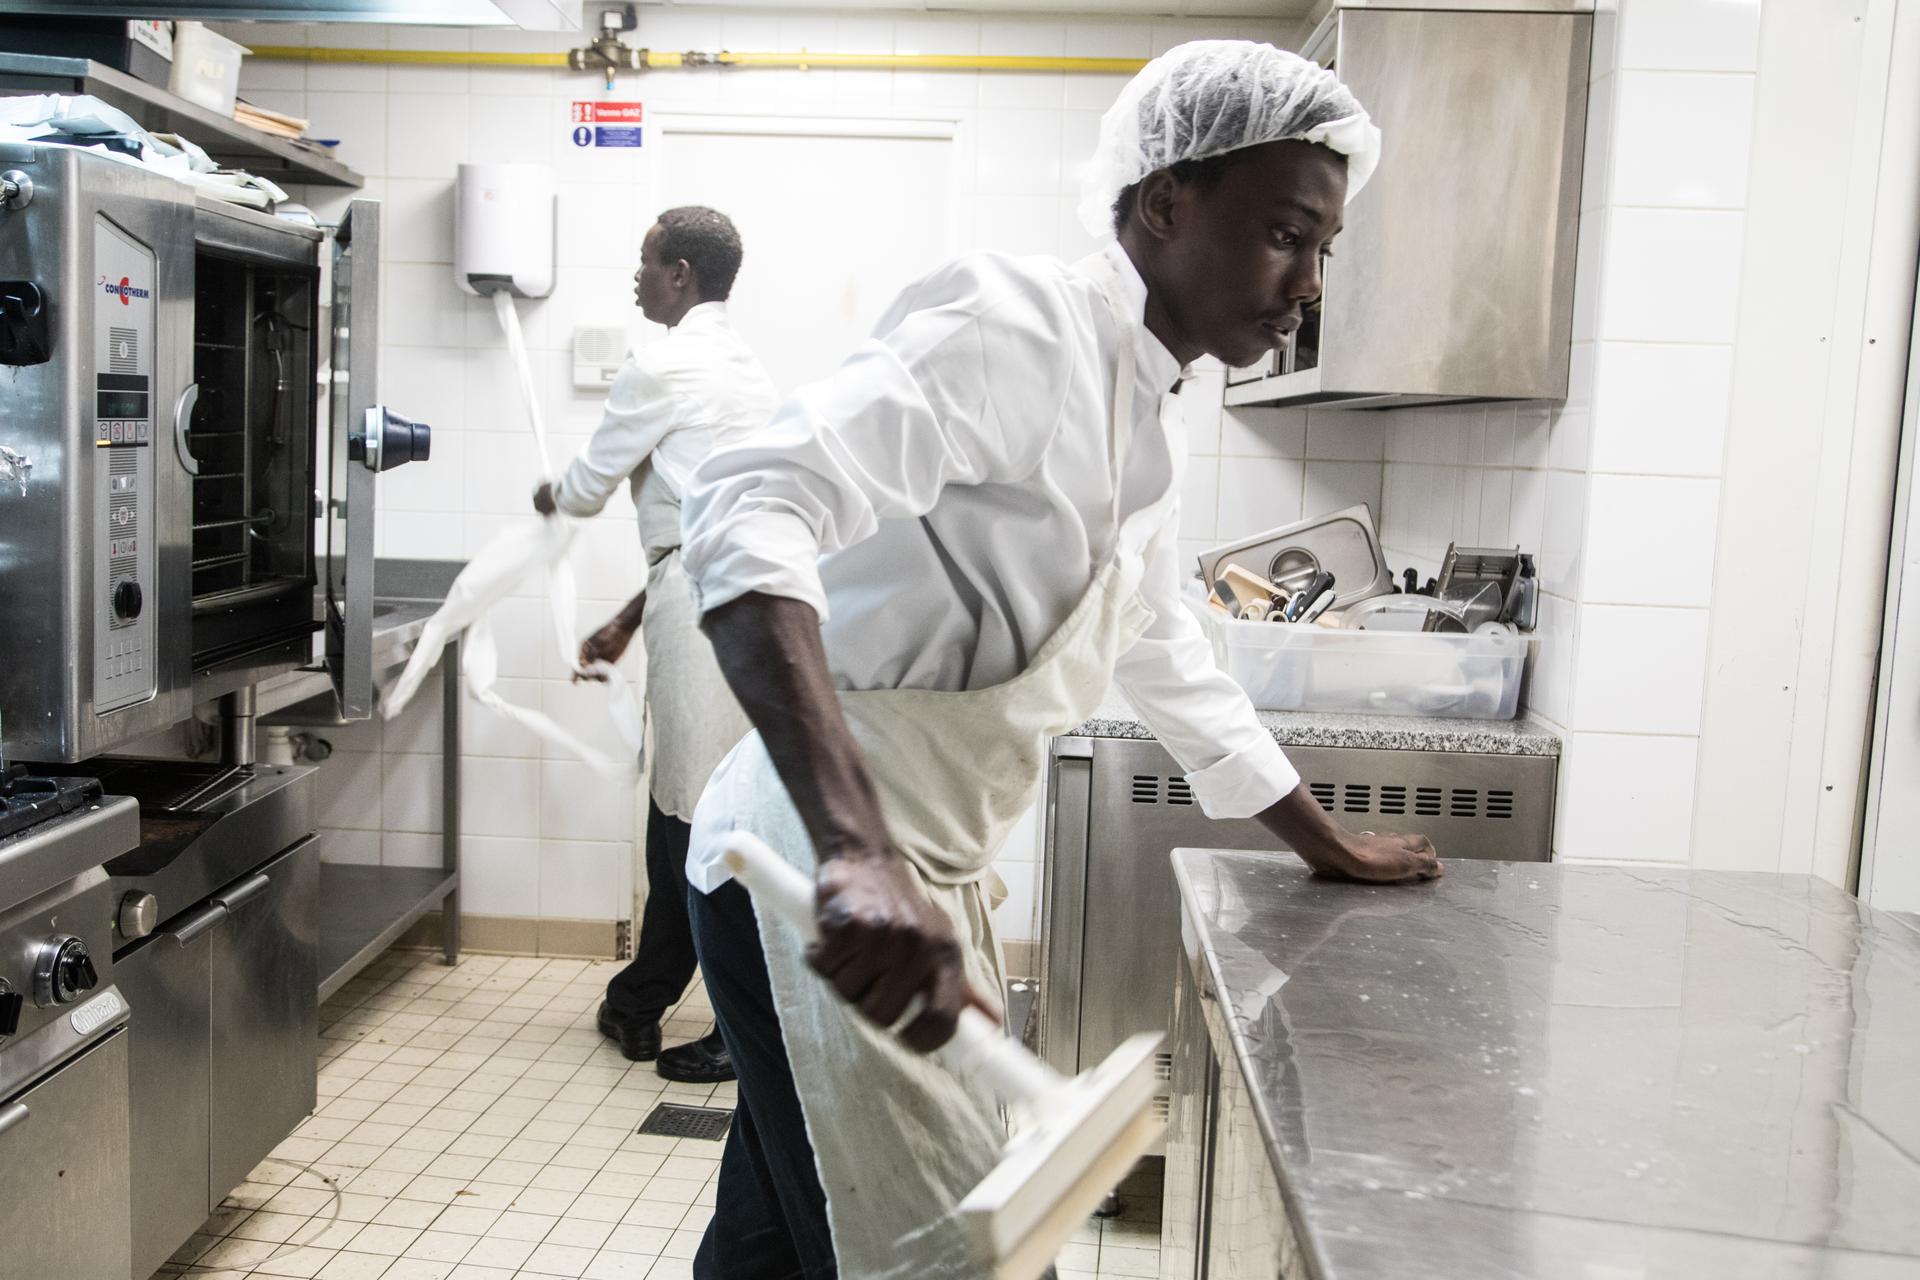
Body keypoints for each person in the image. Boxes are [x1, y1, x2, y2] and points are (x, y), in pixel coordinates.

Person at [677, 41, 1442, 1279]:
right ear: (1164, 202)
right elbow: (749, 508)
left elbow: (1160, 642)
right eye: (1286, 234)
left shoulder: (1150, 414)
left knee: (776, 1231)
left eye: (1325, 250)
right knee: (919, 1256)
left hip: (912, 880)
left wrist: (1321, 836)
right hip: (816, 872)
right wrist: (860, 849)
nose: (1308, 282)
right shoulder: (1016, 325)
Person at [534, 206, 779, 1085]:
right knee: (697, 808)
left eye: (645, 262)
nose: (636, 277)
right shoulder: (748, 370)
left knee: (695, 819)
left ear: (679, 272)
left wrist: (548, 500)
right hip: (753, 604)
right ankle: (640, 997)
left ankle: (734, 1024)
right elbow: (701, 513)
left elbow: (590, 486)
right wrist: (630, 619)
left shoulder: (662, 362)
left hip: (707, 611)